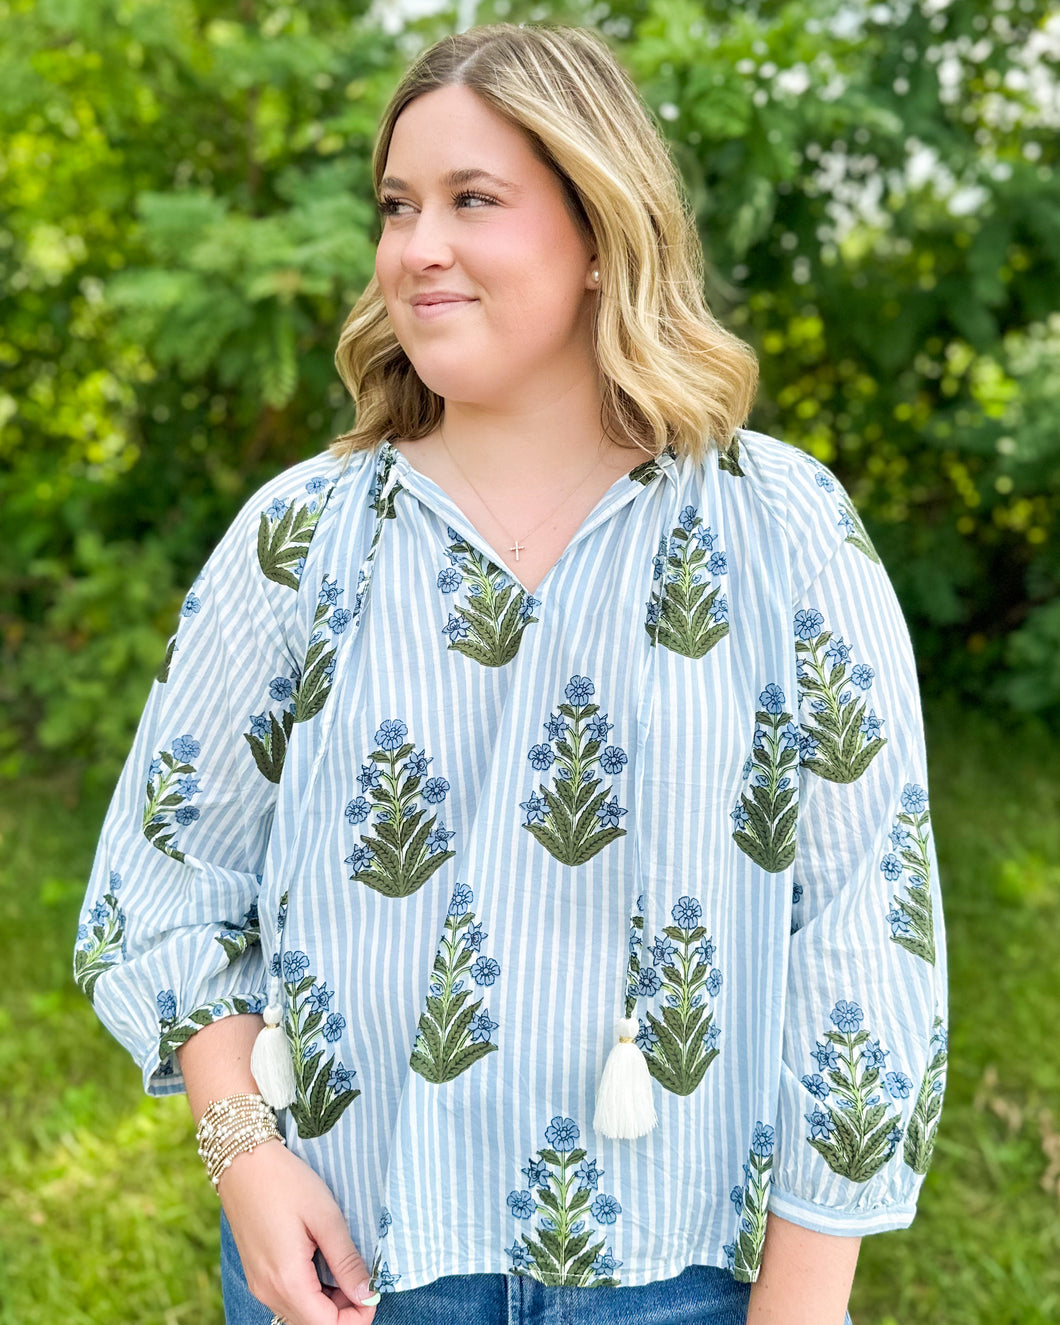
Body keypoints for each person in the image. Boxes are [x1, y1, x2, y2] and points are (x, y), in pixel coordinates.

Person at [74, 22, 948, 1325]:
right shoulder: (303, 536)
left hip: (682, 1276)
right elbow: (166, 878)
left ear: (600, 229)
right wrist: (242, 1154)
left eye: (472, 200)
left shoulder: (780, 533)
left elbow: (867, 928)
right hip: (349, 1263)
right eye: (396, 206)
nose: (416, 246)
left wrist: (802, 1302)